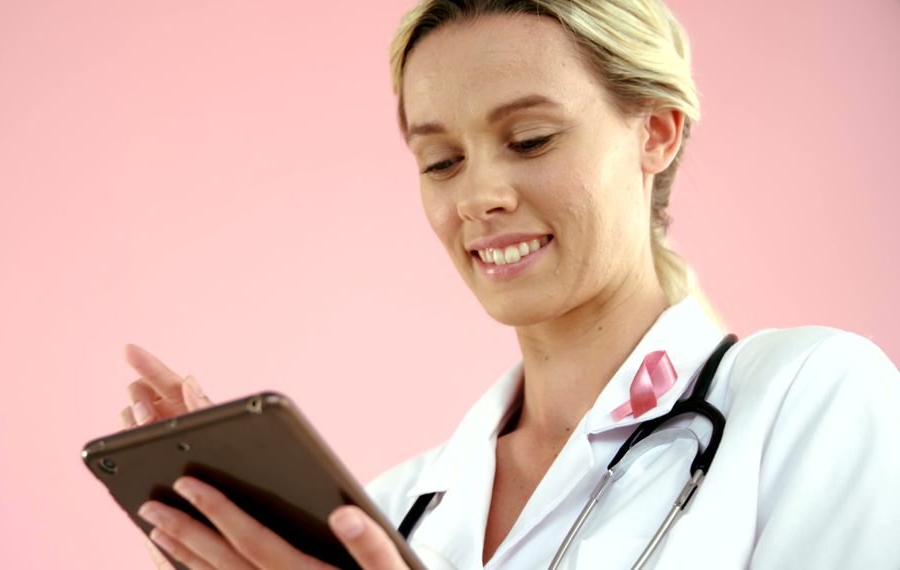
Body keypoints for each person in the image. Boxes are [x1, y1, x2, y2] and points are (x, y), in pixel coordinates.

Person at [116, 1, 900, 568]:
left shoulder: (810, 396)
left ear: (655, 132)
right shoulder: (392, 511)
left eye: (530, 139)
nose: (477, 196)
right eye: (441, 162)